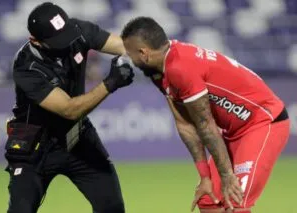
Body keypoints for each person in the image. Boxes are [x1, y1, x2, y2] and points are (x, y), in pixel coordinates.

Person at [120, 17, 290, 213]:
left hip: (263, 122)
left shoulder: (181, 68)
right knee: (209, 201)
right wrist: (205, 177)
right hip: (234, 131)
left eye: (130, 54)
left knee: (235, 201)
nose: (130, 60)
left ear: (144, 53)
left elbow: (205, 124)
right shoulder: (160, 71)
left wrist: (227, 176)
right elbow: (185, 124)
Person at [4, 2, 134, 213]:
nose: (66, 43)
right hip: (35, 145)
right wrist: (110, 82)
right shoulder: (26, 67)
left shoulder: (76, 31)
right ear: (34, 41)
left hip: (77, 136)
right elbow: (69, 109)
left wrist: (134, 58)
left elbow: (126, 47)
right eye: (57, 41)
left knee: (112, 207)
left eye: (65, 34)